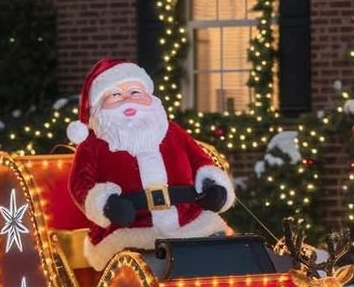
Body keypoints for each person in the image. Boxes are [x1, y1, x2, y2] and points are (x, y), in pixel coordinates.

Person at [67, 57, 234, 270]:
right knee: (153, 272)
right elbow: (80, 184)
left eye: (135, 92)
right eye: (115, 95)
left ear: (149, 96)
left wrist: (213, 186)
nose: (127, 100)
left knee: (228, 256)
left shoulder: (172, 132)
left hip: (190, 224)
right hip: (131, 233)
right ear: (99, 106)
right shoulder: (93, 145)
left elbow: (200, 161)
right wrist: (107, 205)